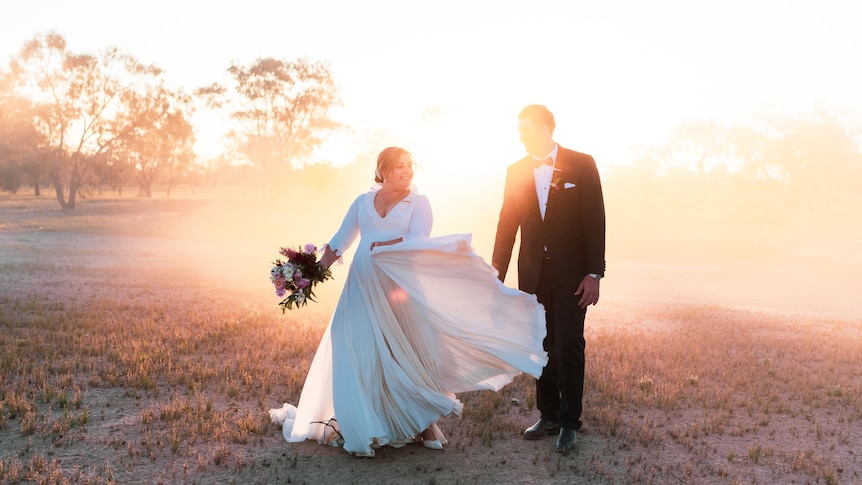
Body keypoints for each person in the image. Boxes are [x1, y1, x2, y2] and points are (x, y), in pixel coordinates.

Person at [270, 146, 549, 457]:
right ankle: (365, 422)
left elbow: (417, 239)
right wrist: (309, 275)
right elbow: (339, 242)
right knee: (357, 351)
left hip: (398, 289)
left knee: (405, 355)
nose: (406, 171)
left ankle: (422, 423)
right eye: (398, 166)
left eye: (409, 166)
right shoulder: (363, 202)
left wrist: (379, 243)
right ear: (383, 170)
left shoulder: (419, 203)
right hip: (361, 288)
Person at [492, 105, 606, 453]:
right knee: (541, 345)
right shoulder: (515, 171)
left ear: (545, 127)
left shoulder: (581, 164)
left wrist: (594, 273)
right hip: (533, 275)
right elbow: (507, 226)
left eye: (525, 129)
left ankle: (571, 422)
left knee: (569, 344)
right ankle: (549, 414)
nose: (521, 135)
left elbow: (595, 220)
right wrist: (497, 273)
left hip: (573, 276)